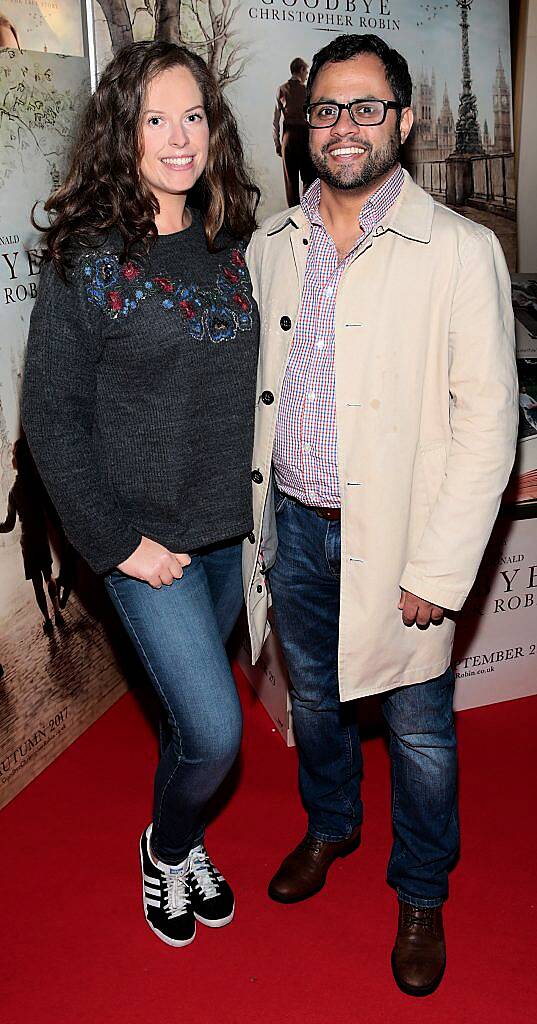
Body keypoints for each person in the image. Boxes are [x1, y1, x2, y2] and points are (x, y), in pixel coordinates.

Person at [243, 33, 518, 996]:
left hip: (401, 544)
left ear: (402, 119)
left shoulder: (458, 249)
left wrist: (437, 572)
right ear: (304, 124)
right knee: (315, 701)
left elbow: (488, 428)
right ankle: (329, 825)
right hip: (293, 526)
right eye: (326, 109)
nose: (344, 126)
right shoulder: (270, 244)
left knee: (416, 726)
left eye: (366, 107)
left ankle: (420, 891)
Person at [22, 40, 259, 949]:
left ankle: (186, 834)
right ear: (122, 132)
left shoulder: (230, 241)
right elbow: (50, 417)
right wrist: (117, 545)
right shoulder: (88, 258)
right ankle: (165, 850)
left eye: (193, 115)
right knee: (213, 729)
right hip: (145, 549)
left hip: (230, 535)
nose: (178, 138)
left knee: (182, 718)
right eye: (155, 118)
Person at [0, 437, 63, 634]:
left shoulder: (14, 491)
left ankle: (47, 620)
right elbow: (51, 510)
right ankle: (58, 613)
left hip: (28, 542)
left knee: (37, 584)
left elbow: (9, 525)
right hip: (42, 537)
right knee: (48, 575)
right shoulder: (38, 484)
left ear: (17, 461)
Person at [273, 57, 315, 206]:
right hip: (303, 136)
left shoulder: (281, 89)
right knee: (309, 178)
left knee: (290, 182)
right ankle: (306, 212)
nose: (306, 76)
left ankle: (293, 216)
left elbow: (276, 121)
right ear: (301, 70)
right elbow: (313, 117)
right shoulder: (307, 91)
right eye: (306, 72)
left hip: (288, 138)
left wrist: (277, 143)